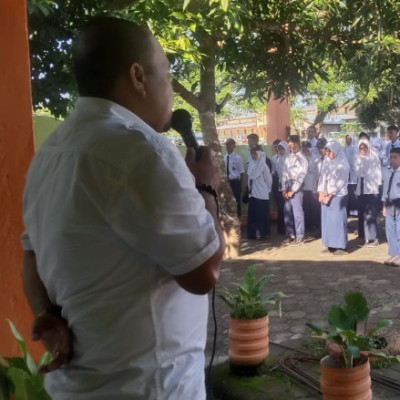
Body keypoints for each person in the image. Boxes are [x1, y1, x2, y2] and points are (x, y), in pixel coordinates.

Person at [21, 17, 225, 400]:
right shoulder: (142, 151)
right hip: (147, 385)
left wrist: (46, 313)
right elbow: (204, 274)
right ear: (137, 76)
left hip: (77, 387)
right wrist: (205, 187)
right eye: (166, 73)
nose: (170, 90)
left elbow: (30, 255)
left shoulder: (51, 153)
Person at [318, 141, 350, 255]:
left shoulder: (343, 164)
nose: (327, 153)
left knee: (337, 221)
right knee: (327, 221)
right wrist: (321, 192)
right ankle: (329, 244)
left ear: (335, 151)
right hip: (326, 195)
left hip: (337, 196)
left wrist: (330, 195)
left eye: (329, 151)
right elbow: (322, 177)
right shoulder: (326, 162)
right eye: (326, 150)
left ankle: (340, 246)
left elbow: (340, 182)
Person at [354, 139, 382, 247]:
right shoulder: (357, 158)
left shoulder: (373, 157)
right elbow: (356, 172)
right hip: (360, 188)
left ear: (368, 147)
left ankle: (373, 238)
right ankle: (366, 238)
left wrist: (377, 186)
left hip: (371, 188)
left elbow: (378, 172)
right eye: (361, 148)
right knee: (363, 213)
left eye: (365, 147)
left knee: (371, 214)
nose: (363, 150)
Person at [282, 135, 308, 246]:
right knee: (287, 211)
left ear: (298, 144)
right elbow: (283, 173)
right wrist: (283, 188)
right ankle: (290, 234)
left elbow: (301, 176)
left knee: (297, 212)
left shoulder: (302, 158)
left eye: (293, 145)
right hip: (288, 184)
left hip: (296, 186)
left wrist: (293, 189)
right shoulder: (288, 157)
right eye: (290, 145)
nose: (291, 147)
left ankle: (300, 235)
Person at [246, 146, 273, 239]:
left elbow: (269, 180)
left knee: (260, 215)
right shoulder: (251, 165)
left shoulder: (264, 166)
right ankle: (253, 233)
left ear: (259, 154)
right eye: (252, 153)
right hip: (252, 194)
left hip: (261, 195)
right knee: (253, 215)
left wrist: (267, 191)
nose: (253, 155)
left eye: (255, 153)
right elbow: (249, 179)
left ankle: (262, 233)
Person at [382, 147, 400, 267]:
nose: (392, 160)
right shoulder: (387, 171)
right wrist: (383, 204)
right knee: (390, 230)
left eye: (395, 157)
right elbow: (385, 189)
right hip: (389, 203)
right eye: (391, 157)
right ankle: (393, 253)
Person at [301, 141, 320, 234]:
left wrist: (307, 160)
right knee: (306, 207)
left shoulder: (315, 158)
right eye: (303, 149)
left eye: (306, 149)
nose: (305, 151)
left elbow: (314, 171)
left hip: (312, 187)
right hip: (304, 187)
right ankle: (308, 225)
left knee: (314, 207)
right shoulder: (300, 158)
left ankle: (315, 225)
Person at [224, 138, 244, 217]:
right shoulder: (224, 158)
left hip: (235, 182)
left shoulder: (238, 158)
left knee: (236, 202)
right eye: (226, 145)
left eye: (229, 144)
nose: (228, 146)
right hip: (227, 183)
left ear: (234, 145)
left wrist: (239, 185)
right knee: (228, 203)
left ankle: (238, 220)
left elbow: (241, 172)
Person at [275, 140, 290, 234]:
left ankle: (288, 227)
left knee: (287, 207)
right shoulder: (279, 159)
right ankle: (281, 228)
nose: (281, 151)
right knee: (280, 207)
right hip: (280, 185)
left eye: (282, 149)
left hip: (288, 185)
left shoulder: (289, 159)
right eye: (279, 149)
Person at [343, 134, 358, 217]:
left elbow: (353, 161)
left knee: (353, 193)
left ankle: (354, 211)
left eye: (349, 139)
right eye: (346, 139)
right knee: (348, 193)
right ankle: (348, 210)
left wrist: (349, 166)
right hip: (346, 172)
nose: (348, 140)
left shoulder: (355, 148)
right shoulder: (344, 148)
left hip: (353, 172)